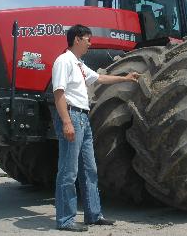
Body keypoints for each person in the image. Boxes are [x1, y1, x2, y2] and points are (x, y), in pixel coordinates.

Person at [52, 25, 140, 232]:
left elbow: (100, 78)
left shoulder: (80, 64)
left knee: (89, 169)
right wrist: (66, 122)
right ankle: (65, 220)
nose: (90, 43)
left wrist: (125, 78)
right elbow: (59, 94)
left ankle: (93, 215)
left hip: (84, 118)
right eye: (87, 39)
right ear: (76, 39)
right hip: (72, 116)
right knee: (68, 171)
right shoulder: (63, 61)